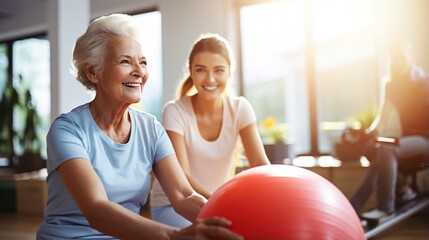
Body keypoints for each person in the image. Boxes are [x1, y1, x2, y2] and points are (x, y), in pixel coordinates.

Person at [36, 14, 243, 240]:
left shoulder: (151, 129)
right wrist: (174, 236)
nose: (139, 72)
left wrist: (232, 223)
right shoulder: (67, 130)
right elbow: (96, 210)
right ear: (93, 72)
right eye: (126, 61)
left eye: (143, 62)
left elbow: (183, 195)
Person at [150, 33, 270, 227]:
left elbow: (259, 164)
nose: (211, 79)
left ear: (230, 72)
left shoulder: (240, 108)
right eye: (201, 70)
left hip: (218, 203)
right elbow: (183, 177)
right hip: (174, 205)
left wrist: (276, 193)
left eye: (219, 70)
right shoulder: (175, 111)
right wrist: (221, 202)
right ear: (190, 71)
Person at [350, 41, 429, 221]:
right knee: (379, 152)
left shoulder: (425, 82)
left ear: (412, 57)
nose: (399, 61)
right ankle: (352, 210)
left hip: (426, 141)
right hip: (408, 140)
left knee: (387, 148)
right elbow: (382, 118)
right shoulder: (391, 85)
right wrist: (367, 134)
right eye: (395, 58)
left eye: (403, 57)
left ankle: (386, 209)